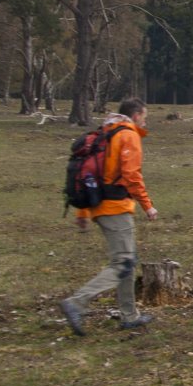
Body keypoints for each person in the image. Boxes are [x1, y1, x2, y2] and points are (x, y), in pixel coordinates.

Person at [60, 98, 159, 333]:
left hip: (99, 206)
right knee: (123, 263)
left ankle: (129, 315)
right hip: (116, 207)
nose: (145, 121)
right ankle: (76, 303)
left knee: (128, 259)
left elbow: (91, 172)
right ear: (136, 116)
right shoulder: (128, 134)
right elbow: (131, 174)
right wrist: (148, 205)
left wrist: (83, 211)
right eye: (144, 116)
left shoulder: (106, 132)